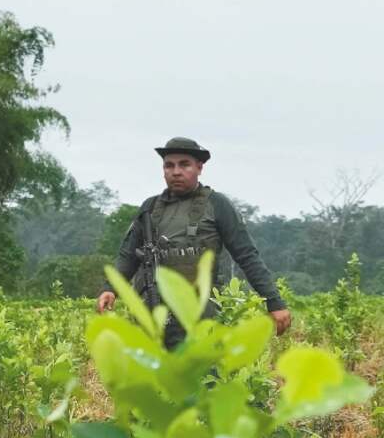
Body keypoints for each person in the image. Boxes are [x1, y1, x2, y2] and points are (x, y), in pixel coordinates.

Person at [96, 137, 292, 347]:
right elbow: (128, 254)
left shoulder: (217, 204)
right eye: (169, 165)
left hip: (199, 313)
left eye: (184, 164)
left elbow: (247, 256)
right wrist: (110, 289)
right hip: (151, 310)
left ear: (199, 167)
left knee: (204, 376)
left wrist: (274, 301)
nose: (176, 172)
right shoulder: (149, 208)